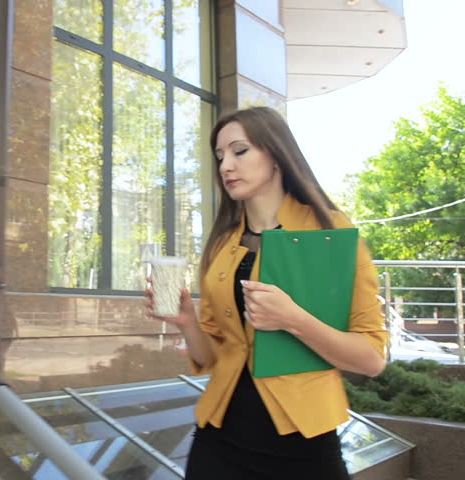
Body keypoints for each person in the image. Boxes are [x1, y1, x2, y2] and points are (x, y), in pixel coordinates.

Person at [145, 106, 387, 479]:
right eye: (220, 156)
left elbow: (371, 359)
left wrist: (293, 320)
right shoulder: (222, 243)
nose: (226, 165)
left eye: (240, 151)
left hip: (303, 443)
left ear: (275, 154)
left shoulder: (330, 230)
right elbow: (211, 357)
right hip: (218, 439)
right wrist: (187, 322)